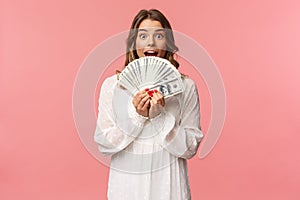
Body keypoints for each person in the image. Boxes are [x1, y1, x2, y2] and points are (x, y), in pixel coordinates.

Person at [94, 9, 204, 200]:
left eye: (159, 35)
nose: (151, 42)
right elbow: (104, 144)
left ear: (168, 43)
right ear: (133, 43)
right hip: (127, 187)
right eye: (143, 36)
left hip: (169, 187)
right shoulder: (113, 86)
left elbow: (190, 148)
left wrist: (160, 116)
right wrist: (137, 116)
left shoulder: (185, 87)